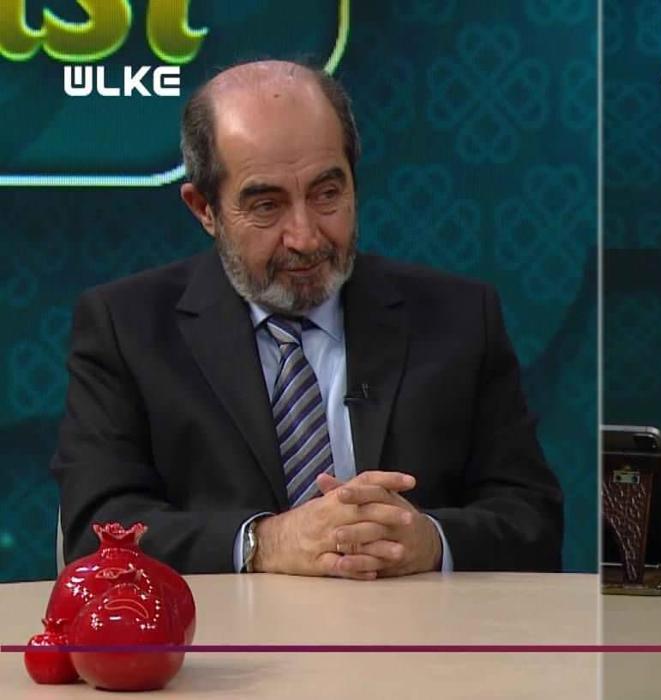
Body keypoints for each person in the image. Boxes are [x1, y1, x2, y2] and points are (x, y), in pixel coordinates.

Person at [51, 60, 563, 578]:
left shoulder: (459, 318)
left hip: (418, 624)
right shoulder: (126, 328)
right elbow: (97, 529)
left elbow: (533, 518)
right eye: (266, 206)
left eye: (326, 194)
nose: (306, 237)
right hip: (224, 630)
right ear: (204, 208)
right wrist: (263, 543)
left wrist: (431, 541)